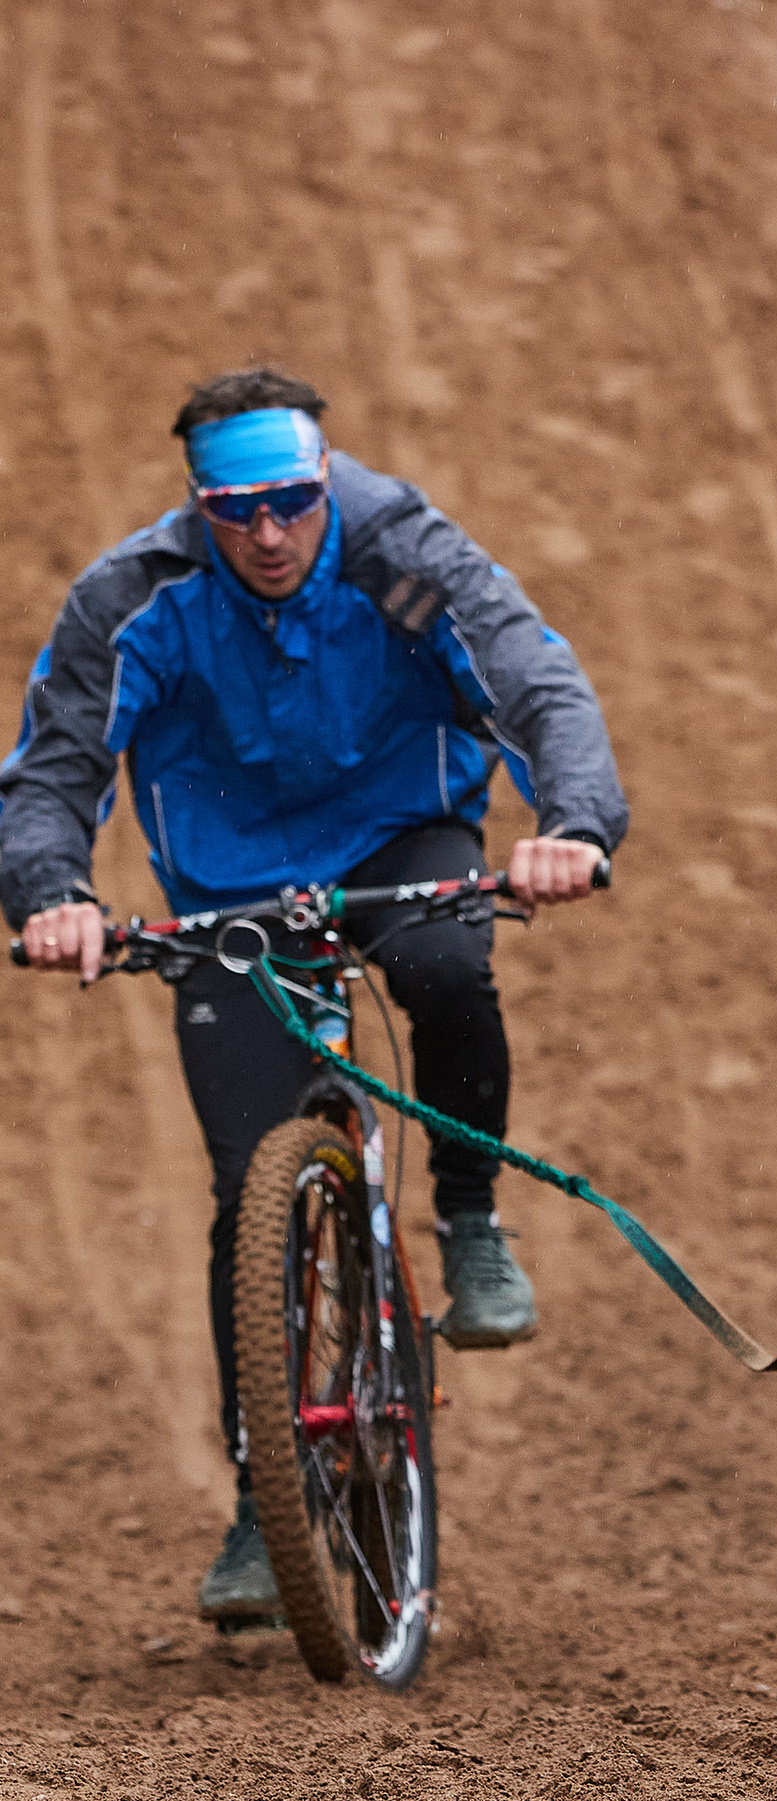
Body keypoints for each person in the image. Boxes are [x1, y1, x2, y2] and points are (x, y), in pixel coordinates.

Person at [1, 367, 627, 1623]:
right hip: (231, 886)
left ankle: (469, 1219)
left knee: (445, 967)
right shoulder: (137, 594)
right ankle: (266, 1495)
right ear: (199, 506)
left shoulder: (402, 554)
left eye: (291, 501)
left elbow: (532, 678)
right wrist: (49, 893)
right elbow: (53, 768)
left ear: (325, 479)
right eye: (238, 511)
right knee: (250, 1192)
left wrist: (573, 824)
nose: (271, 534)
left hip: (399, 836)